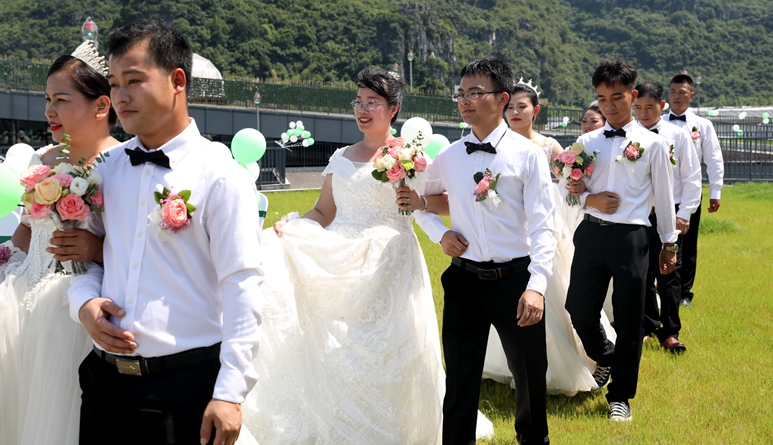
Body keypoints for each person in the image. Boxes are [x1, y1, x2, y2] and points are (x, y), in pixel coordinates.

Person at [243, 67, 489, 444]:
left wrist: (419, 200)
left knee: (386, 348)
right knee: (335, 343)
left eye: (372, 102)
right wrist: (293, 226)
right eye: (358, 102)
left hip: (388, 258)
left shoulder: (411, 157)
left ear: (392, 109)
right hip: (340, 255)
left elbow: (446, 200)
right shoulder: (341, 156)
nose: (363, 109)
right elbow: (324, 211)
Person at [67, 23, 263, 445]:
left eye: (134, 80)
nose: (120, 95)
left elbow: (243, 284)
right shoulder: (107, 169)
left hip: (183, 387)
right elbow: (86, 257)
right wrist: (84, 303)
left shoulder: (221, 174)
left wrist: (230, 392)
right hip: (102, 382)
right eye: (115, 83)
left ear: (177, 81)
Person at [0, 41, 118, 445]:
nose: (49, 111)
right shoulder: (42, 160)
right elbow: (25, 229)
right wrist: (1, 262)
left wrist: (94, 249)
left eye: (61, 99)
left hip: (73, 300)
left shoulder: (120, 164)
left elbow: (137, 249)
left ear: (100, 105)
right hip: (18, 289)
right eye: (47, 99)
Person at [409, 58, 556, 445]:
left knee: (529, 374)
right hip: (463, 282)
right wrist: (438, 233)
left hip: (516, 281)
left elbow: (544, 225)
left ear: (503, 98)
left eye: (476, 93)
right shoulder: (450, 156)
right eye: (461, 93)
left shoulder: (528, 156)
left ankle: (532, 439)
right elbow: (417, 198)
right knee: (459, 378)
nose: (465, 100)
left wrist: (536, 286)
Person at [478, 78, 615, 396]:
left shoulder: (548, 145)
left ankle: (566, 362)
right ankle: (509, 362)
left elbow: (570, 181)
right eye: (509, 106)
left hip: (543, 224)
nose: (514, 112)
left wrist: (578, 186)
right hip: (508, 227)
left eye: (521, 107)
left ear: (535, 110)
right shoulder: (495, 144)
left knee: (552, 294)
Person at [565, 59, 677, 422]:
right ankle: (610, 358)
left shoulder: (653, 144)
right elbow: (567, 188)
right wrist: (587, 198)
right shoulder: (585, 142)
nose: (609, 106)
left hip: (631, 236)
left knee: (630, 319)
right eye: (601, 99)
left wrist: (669, 244)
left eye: (616, 97)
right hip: (591, 232)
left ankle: (621, 396)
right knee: (578, 310)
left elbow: (663, 196)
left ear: (633, 95)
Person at [634, 82, 701, 352]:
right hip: (639, 213)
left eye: (650, 107)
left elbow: (692, 177)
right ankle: (647, 326)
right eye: (638, 107)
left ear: (662, 106)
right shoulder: (631, 136)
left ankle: (670, 331)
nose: (644, 113)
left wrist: (684, 213)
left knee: (669, 272)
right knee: (642, 273)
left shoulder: (677, 134)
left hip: (670, 212)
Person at [664, 74, 724, 308]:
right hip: (661, 194)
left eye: (682, 92)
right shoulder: (658, 123)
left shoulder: (702, 125)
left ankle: (684, 293)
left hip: (689, 193)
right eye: (672, 92)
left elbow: (714, 159)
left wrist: (715, 191)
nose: (677, 96)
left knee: (687, 245)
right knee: (659, 242)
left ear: (691, 95)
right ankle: (663, 288)